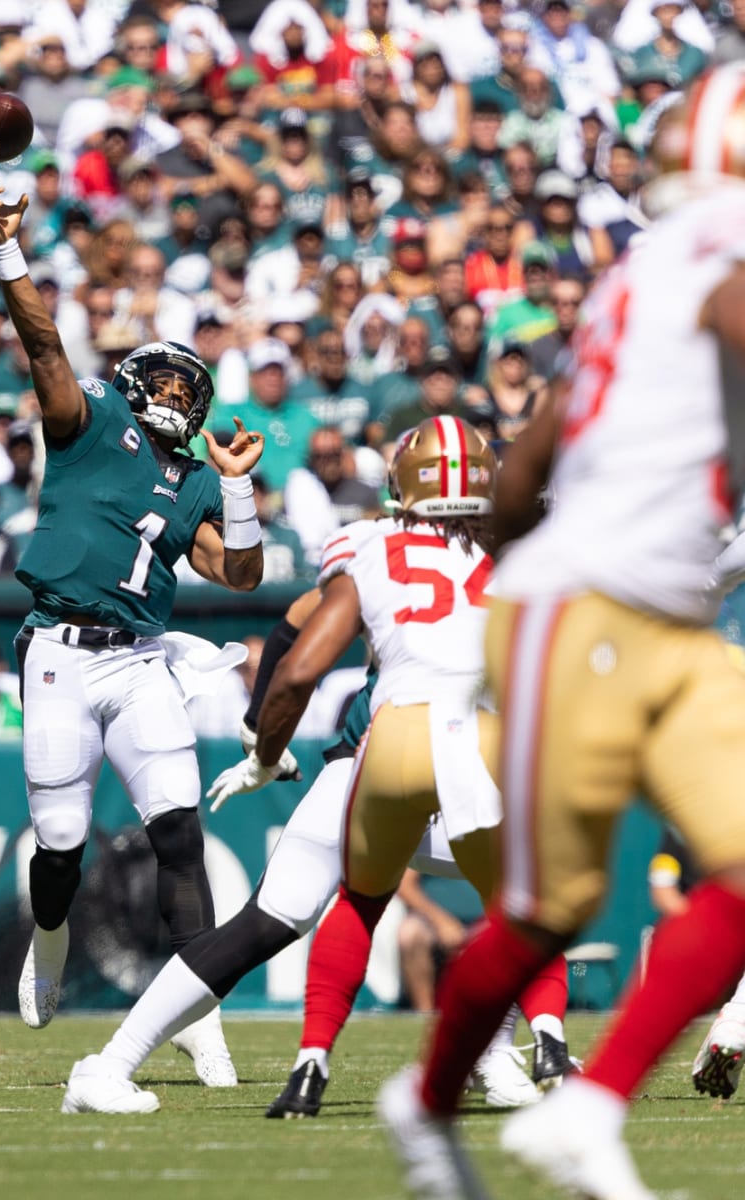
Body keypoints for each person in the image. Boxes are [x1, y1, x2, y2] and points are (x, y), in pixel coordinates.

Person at [380, 64, 745, 1200]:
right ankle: (428, 1101)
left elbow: (517, 479)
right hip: (585, 610)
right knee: (548, 911)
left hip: (661, 622)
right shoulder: (713, 251)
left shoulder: (635, 274)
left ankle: (586, 1109)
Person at [58, 419, 563, 1115]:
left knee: (501, 889)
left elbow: (299, 636)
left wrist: (264, 741)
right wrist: (260, 729)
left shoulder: (396, 549)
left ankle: (495, 1051)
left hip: (403, 762)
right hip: (387, 759)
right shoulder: (483, 565)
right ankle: (108, 1063)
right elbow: (299, 627)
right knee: (285, 915)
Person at [0, 170, 265, 1086]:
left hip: (142, 662)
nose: (180, 394)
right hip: (61, 653)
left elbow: (241, 572)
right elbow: (43, 344)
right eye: (168, 378)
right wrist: (7, 248)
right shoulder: (92, 423)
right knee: (60, 847)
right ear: (137, 382)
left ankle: (201, 1023)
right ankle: (52, 937)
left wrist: (246, 486)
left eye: (195, 384)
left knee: (178, 836)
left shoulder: (197, 480)